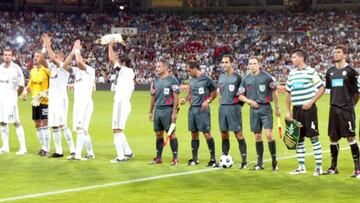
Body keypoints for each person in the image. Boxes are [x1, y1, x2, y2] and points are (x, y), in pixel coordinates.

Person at [285, 50, 325, 176]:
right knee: (299, 138)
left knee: (313, 137)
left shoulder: (311, 71)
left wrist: (311, 102)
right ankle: (301, 167)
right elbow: (288, 92)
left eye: (294, 56)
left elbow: (321, 88)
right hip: (296, 110)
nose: (292, 59)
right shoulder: (291, 74)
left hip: (309, 110)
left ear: (301, 58)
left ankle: (319, 168)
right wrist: (287, 111)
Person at [323, 45, 360, 178]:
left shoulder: (351, 71)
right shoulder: (330, 71)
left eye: (338, 52)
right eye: (334, 52)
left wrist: (350, 106)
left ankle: (357, 169)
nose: (335, 54)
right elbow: (329, 89)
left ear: (344, 55)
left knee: (351, 137)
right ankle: (333, 167)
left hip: (346, 110)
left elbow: (356, 93)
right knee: (333, 138)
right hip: (333, 109)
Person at [239, 56, 280, 171]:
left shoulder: (266, 77)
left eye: (254, 63)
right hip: (253, 110)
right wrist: (250, 101)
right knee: (257, 136)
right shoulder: (246, 79)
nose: (252, 65)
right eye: (250, 64)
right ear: (248, 65)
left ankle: (274, 161)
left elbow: (275, 92)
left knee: (269, 135)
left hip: (266, 108)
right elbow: (240, 96)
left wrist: (277, 108)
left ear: (258, 64)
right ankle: (260, 163)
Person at [41, 33, 76, 158]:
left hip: (61, 99)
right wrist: (44, 47)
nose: (53, 58)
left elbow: (51, 58)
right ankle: (59, 151)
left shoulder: (63, 67)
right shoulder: (53, 68)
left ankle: (73, 150)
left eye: (56, 57)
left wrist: (49, 45)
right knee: (54, 125)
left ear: (61, 58)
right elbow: (41, 60)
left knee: (62, 124)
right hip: (53, 99)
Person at [180, 61, 218, 167]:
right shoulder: (191, 81)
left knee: (206, 133)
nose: (188, 73)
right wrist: (185, 99)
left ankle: (213, 159)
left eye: (188, 70)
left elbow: (214, 93)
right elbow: (191, 93)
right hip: (192, 110)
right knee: (194, 134)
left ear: (194, 68)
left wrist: (208, 101)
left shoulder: (206, 80)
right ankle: (195, 159)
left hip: (202, 110)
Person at [66, 40, 96, 160]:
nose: (78, 62)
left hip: (85, 104)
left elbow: (78, 61)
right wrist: (72, 52)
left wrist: (77, 49)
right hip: (78, 104)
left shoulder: (90, 70)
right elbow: (64, 66)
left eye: (81, 60)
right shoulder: (77, 71)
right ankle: (90, 153)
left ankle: (77, 154)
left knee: (80, 129)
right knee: (83, 130)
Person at [217, 55, 247, 169]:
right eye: (223, 62)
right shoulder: (221, 78)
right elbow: (220, 93)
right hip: (222, 108)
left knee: (238, 134)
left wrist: (238, 106)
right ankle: (224, 157)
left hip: (233, 108)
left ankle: (244, 161)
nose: (224, 64)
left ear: (232, 63)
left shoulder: (238, 78)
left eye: (226, 62)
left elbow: (243, 94)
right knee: (224, 133)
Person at [149, 60, 180, 165]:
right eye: (156, 66)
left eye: (159, 66)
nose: (156, 68)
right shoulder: (155, 81)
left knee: (171, 134)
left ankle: (175, 158)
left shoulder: (173, 81)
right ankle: (158, 158)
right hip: (158, 110)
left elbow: (176, 97)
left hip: (168, 109)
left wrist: (174, 112)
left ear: (165, 68)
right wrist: (150, 111)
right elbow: (152, 97)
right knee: (158, 134)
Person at [108, 40, 135, 163]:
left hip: (121, 103)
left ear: (123, 62)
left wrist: (110, 46)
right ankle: (128, 152)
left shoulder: (125, 71)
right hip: (124, 103)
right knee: (120, 129)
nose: (116, 61)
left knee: (116, 129)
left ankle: (120, 156)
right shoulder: (129, 73)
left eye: (119, 59)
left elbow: (111, 60)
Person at [21, 49, 51, 156]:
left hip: (45, 101)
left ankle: (47, 148)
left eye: (38, 56)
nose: (35, 58)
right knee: (37, 124)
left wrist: (45, 93)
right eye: (35, 56)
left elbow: (52, 84)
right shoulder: (32, 71)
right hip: (35, 101)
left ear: (42, 58)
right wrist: (25, 91)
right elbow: (30, 85)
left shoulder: (46, 70)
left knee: (45, 124)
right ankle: (43, 147)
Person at [0, 48, 27, 155]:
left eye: (9, 55)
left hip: (11, 101)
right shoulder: (0, 68)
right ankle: (5, 147)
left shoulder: (16, 68)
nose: (7, 56)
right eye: (5, 54)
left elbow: (21, 85)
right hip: (1, 100)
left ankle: (23, 148)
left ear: (12, 56)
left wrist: (15, 96)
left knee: (16, 122)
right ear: (2, 56)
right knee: (2, 122)